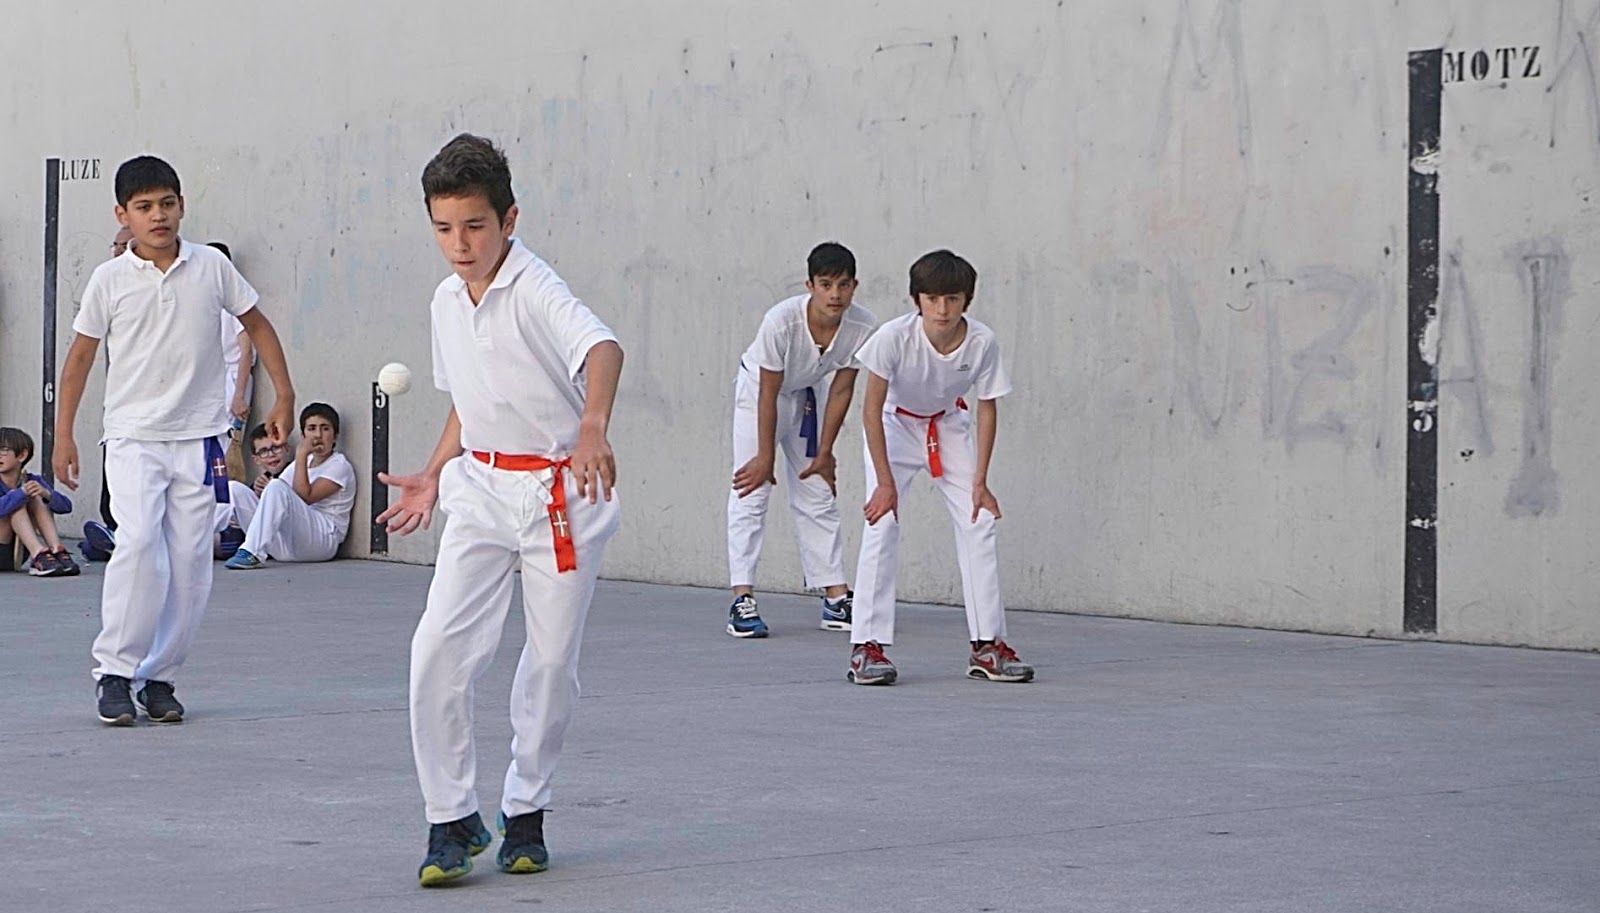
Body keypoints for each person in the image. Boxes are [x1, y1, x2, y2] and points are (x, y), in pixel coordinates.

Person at [377, 134, 623, 887]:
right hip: (479, 491)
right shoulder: (446, 300)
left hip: (561, 495)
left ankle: (526, 812)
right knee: (436, 650)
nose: (460, 244)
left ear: (509, 219)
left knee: (549, 663)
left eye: (475, 226)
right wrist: (434, 471)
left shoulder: (536, 286)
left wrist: (592, 426)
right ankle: (451, 817)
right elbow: (469, 396)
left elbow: (603, 348)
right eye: (444, 228)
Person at [52, 154, 296, 726]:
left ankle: (158, 677)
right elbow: (80, 358)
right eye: (144, 207)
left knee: (190, 562)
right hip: (133, 437)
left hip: (200, 439)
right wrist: (63, 434)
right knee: (139, 545)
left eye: (166, 204)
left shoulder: (211, 266)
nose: (158, 216)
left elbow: (257, 324)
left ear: (182, 205)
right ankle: (114, 673)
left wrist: (284, 395)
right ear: (123, 215)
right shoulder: (109, 280)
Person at [846, 250, 1034, 686]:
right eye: (932, 299)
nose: (943, 309)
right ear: (917, 300)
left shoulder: (982, 342)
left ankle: (987, 647)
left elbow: (987, 409)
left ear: (967, 300)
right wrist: (885, 483)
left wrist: (980, 482)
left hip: (948, 425)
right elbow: (870, 409)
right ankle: (866, 648)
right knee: (882, 522)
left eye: (952, 299)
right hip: (893, 426)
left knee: (979, 519)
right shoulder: (892, 337)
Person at [725, 242, 877, 637]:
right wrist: (764, 456)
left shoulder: (863, 326)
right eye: (825, 284)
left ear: (855, 286)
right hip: (760, 394)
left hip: (809, 394)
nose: (834, 294)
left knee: (817, 488)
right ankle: (742, 598)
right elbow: (767, 391)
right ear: (809, 286)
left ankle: (835, 598)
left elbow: (842, 388)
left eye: (843, 285)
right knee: (752, 488)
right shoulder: (781, 322)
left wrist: (825, 452)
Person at [224, 403, 356, 568]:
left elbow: (304, 497)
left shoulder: (339, 465)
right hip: (286, 546)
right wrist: (260, 490)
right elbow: (277, 495)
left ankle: (252, 552)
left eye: (325, 429)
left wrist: (301, 454)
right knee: (234, 489)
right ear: (303, 435)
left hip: (322, 542)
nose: (318, 435)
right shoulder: (302, 463)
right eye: (312, 428)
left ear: (335, 436)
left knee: (276, 486)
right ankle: (200, 541)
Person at [81, 227, 139, 562]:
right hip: (120, 413)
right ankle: (112, 532)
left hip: (166, 420)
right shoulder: (108, 280)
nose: (118, 249)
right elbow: (81, 354)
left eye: (124, 244)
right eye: (115, 244)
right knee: (115, 480)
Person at [0, 427, 81, 577]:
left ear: (22, 455)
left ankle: (56, 549)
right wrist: (20, 494)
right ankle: (38, 553)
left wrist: (46, 494)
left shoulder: (31, 480)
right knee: (16, 504)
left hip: (18, 553)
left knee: (36, 497)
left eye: (4, 450)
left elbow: (66, 507)